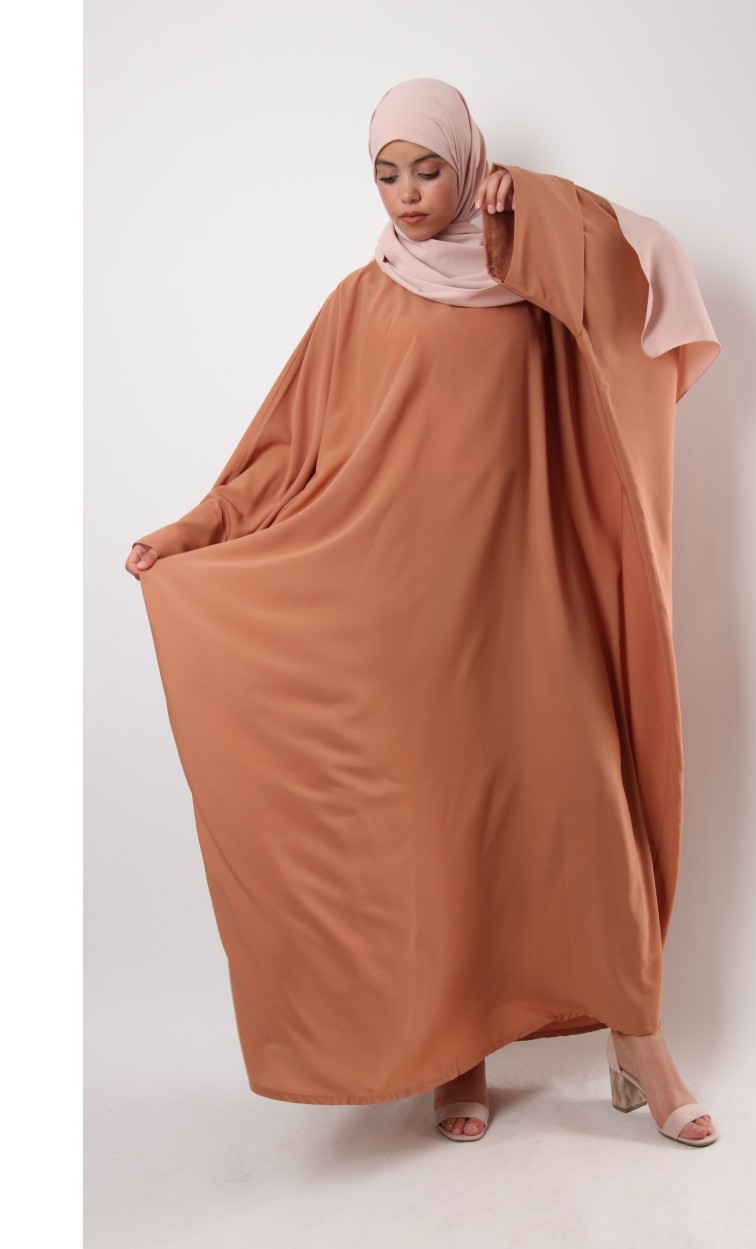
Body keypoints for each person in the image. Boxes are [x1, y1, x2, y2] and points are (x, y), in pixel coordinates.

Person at [125, 78, 721, 1146]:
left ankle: (641, 1047)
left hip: (532, 600)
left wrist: (535, 200)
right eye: (386, 174)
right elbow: (279, 456)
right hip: (411, 617)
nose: (407, 194)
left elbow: (644, 263)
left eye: (428, 168)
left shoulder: (526, 265)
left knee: (583, 810)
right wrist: (188, 533)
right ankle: (460, 1050)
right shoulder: (362, 302)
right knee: (443, 830)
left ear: (470, 164)